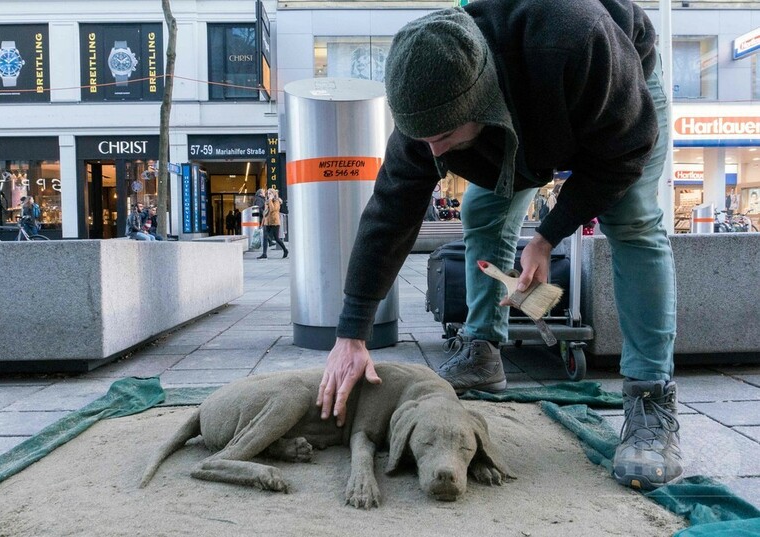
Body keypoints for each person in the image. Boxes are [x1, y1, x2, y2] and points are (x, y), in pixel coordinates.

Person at [317, 2, 680, 492]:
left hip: (614, 95)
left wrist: (548, 234)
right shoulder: (429, 110)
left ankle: (650, 397)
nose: (434, 154)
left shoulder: (577, 37)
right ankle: (483, 349)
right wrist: (351, 335)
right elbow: (389, 213)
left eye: (443, 137)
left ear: (479, 103)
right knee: (481, 210)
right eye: (420, 138)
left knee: (632, 221)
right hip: (513, 107)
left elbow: (623, 155)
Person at [256, 188, 288, 259]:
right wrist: (262, 223)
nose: (268, 195)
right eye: (268, 193)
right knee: (265, 237)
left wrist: (270, 200)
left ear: (273, 194)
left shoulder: (277, 201)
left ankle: (285, 250)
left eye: (270, 193)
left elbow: (273, 210)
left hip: (274, 222)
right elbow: (265, 213)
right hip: (267, 222)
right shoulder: (267, 201)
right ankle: (264, 254)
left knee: (276, 238)